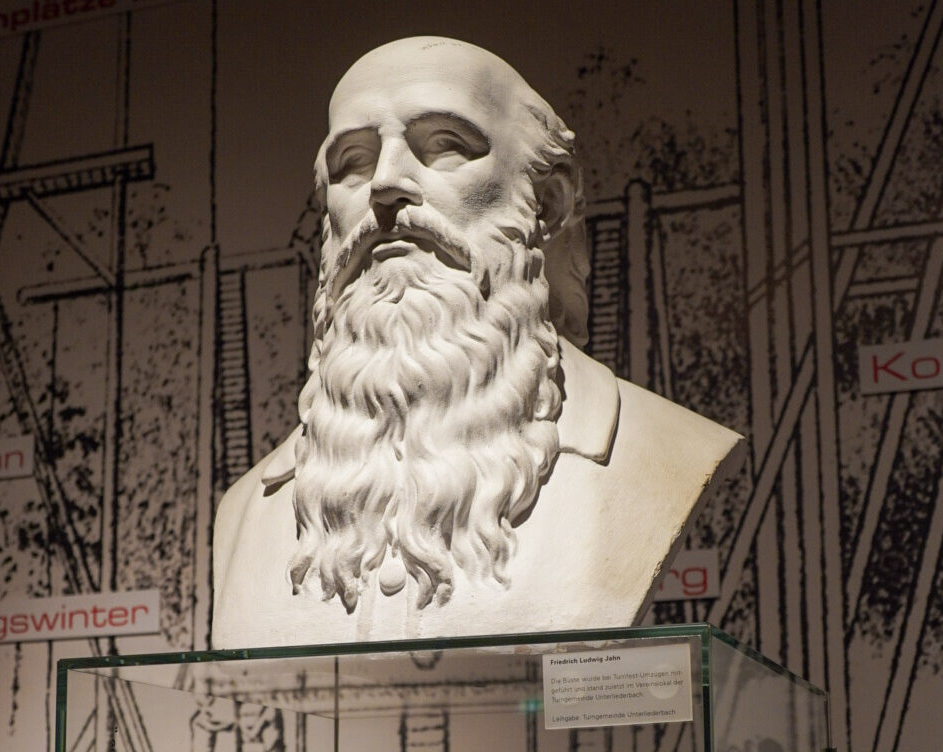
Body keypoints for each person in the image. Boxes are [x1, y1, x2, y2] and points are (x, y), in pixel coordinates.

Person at [212, 36, 744, 649]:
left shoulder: (661, 457)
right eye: (352, 162)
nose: (385, 184)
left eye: (446, 147)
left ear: (547, 202)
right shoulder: (245, 512)